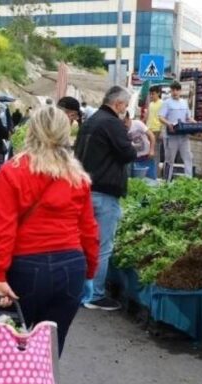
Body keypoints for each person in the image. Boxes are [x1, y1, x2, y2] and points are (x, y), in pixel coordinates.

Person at [0, 106, 98, 356]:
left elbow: (2, 230)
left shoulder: (12, 172)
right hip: (71, 267)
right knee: (50, 351)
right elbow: (88, 230)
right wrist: (89, 272)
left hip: (25, 267)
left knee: (13, 349)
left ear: (31, 131)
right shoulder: (76, 176)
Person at [74, 86, 137, 311]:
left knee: (83, 243)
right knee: (102, 245)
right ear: (118, 104)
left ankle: (80, 291)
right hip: (104, 192)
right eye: (125, 106)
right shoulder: (112, 123)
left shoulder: (90, 121)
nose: (125, 110)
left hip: (84, 189)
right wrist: (128, 135)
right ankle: (95, 294)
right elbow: (128, 153)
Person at [158, 81, 195, 180]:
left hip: (183, 136)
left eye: (177, 90)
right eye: (173, 90)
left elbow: (188, 118)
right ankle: (167, 181)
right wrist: (168, 123)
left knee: (188, 158)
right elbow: (161, 117)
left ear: (180, 91)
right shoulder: (167, 103)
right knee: (169, 160)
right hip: (171, 136)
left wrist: (195, 123)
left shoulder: (184, 102)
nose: (175, 92)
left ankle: (189, 181)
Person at [124, 112, 156, 180]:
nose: (124, 124)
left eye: (125, 121)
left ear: (128, 118)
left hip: (146, 156)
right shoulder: (120, 127)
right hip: (133, 159)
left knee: (151, 179)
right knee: (136, 180)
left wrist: (152, 150)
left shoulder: (137, 123)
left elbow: (151, 135)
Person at [145, 85, 164, 173]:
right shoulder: (150, 104)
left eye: (153, 94)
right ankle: (149, 171)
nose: (151, 96)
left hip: (157, 131)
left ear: (158, 93)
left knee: (155, 152)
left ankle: (155, 173)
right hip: (149, 130)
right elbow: (147, 117)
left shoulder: (162, 103)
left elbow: (163, 118)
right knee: (148, 151)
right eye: (150, 94)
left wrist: (161, 131)